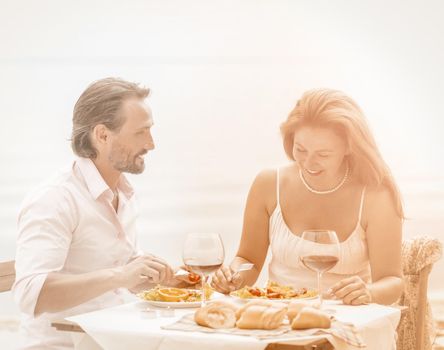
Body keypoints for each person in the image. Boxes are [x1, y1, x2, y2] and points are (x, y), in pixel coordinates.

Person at [12, 77, 178, 349]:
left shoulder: (124, 193)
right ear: (102, 135)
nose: (151, 144)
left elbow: (115, 276)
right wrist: (123, 275)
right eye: (141, 132)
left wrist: (155, 278)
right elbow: (31, 294)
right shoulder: (55, 199)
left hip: (112, 340)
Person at [212, 88, 404, 306]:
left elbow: (392, 281)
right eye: (300, 149)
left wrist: (369, 292)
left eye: (323, 154)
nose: (308, 163)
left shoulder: (376, 195)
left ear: (349, 147)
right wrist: (233, 277)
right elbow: (248, 261)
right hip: (280, 315)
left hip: (351, 317)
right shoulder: (268, 184)